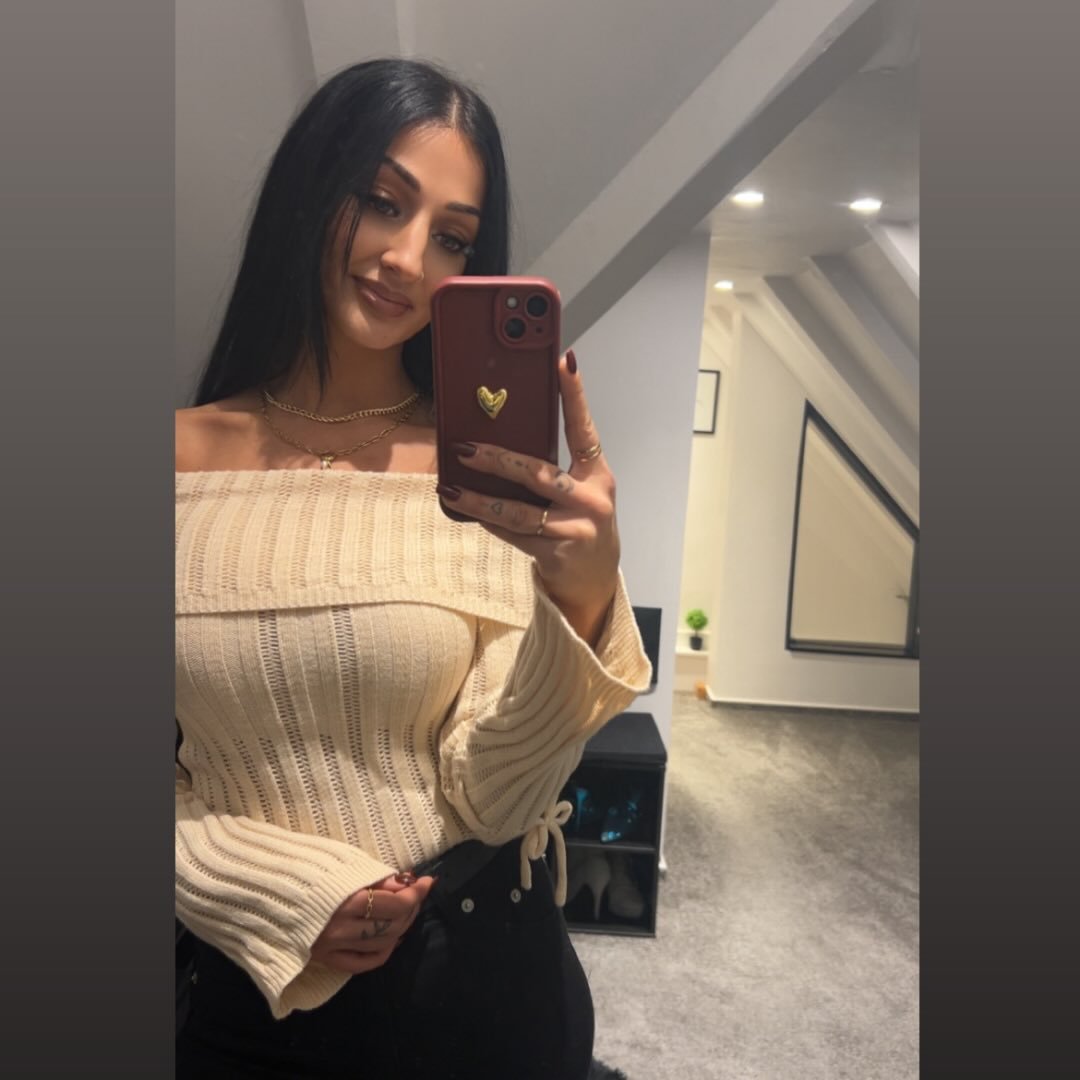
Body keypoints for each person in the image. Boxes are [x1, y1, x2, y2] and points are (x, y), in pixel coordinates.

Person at [174, 57, 652, 1080]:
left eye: (453, 237)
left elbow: (496, 798)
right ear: (311, 190)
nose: (407, 258)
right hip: (247, 996)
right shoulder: (172, 463)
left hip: (484, 993)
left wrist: (577, 604)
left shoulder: (477, 476)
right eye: (384, 202)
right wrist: (283, 895)